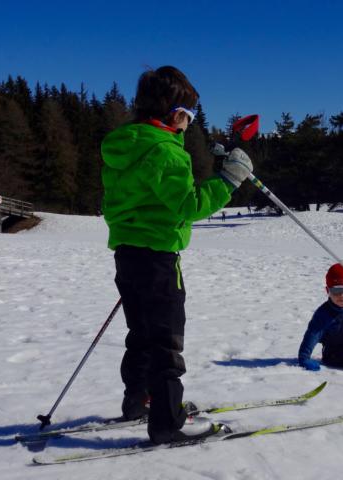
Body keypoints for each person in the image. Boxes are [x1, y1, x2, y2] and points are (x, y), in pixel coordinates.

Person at [100, 66, 253, 444]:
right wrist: (229, 180)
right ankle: (167, 422)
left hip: (128, 255)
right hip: (158, 259)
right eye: (190, 114)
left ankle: (137, 401)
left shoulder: (125, 145)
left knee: (141, 333)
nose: (191, 122)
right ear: (174, 112)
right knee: (165, 340)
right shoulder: (166, 152)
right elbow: (188, 205)